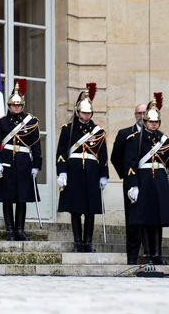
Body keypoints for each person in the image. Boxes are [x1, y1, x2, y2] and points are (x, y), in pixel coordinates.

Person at [0, 80, 42, 241]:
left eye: (18, 105)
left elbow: (36, 146)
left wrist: (36, 165)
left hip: (24, 162)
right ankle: (10, 230)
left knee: (22, 198)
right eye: (13, 105)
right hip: (7, 163)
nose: (16, 107)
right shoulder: (2, 122)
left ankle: (20, 230)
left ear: (22, 105)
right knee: (7, 197)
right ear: (9, 106)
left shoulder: (31, 122)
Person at [56, 83, 108, 253]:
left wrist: (104, 175)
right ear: (78, 112)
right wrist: (62, 172)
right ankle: (78, 242)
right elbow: (61, 153)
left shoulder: (98, 131)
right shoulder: (68, 130)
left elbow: (103, 155)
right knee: (76, 208)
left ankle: (88, 242)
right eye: (84, 112)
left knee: (91, 210)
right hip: (75, 171)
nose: (87, 115)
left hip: (92, 172)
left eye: (89, 112)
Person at [124, 94, 169, 265]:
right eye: (151, 122)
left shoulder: (164, 141)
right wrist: (133, 185)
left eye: (156, 122)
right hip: (143, 181)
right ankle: (148, 254)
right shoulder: (135, 139)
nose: (154, 125)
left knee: (157, 220)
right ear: (145, 122)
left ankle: (157, 254)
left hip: (159, 181)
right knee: (144, 220)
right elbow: (130, 164)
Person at [110, 102, 146, 264]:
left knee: (150, 220)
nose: (142, 116)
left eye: (145, 113)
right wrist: (126, 176)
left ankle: (151, 255)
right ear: (135, 115)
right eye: (139, 113)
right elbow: (115, 157)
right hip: (132, 183)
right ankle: (132, 258)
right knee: (132, 221)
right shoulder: (125, 133)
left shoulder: (157, 135)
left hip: (149, 183)